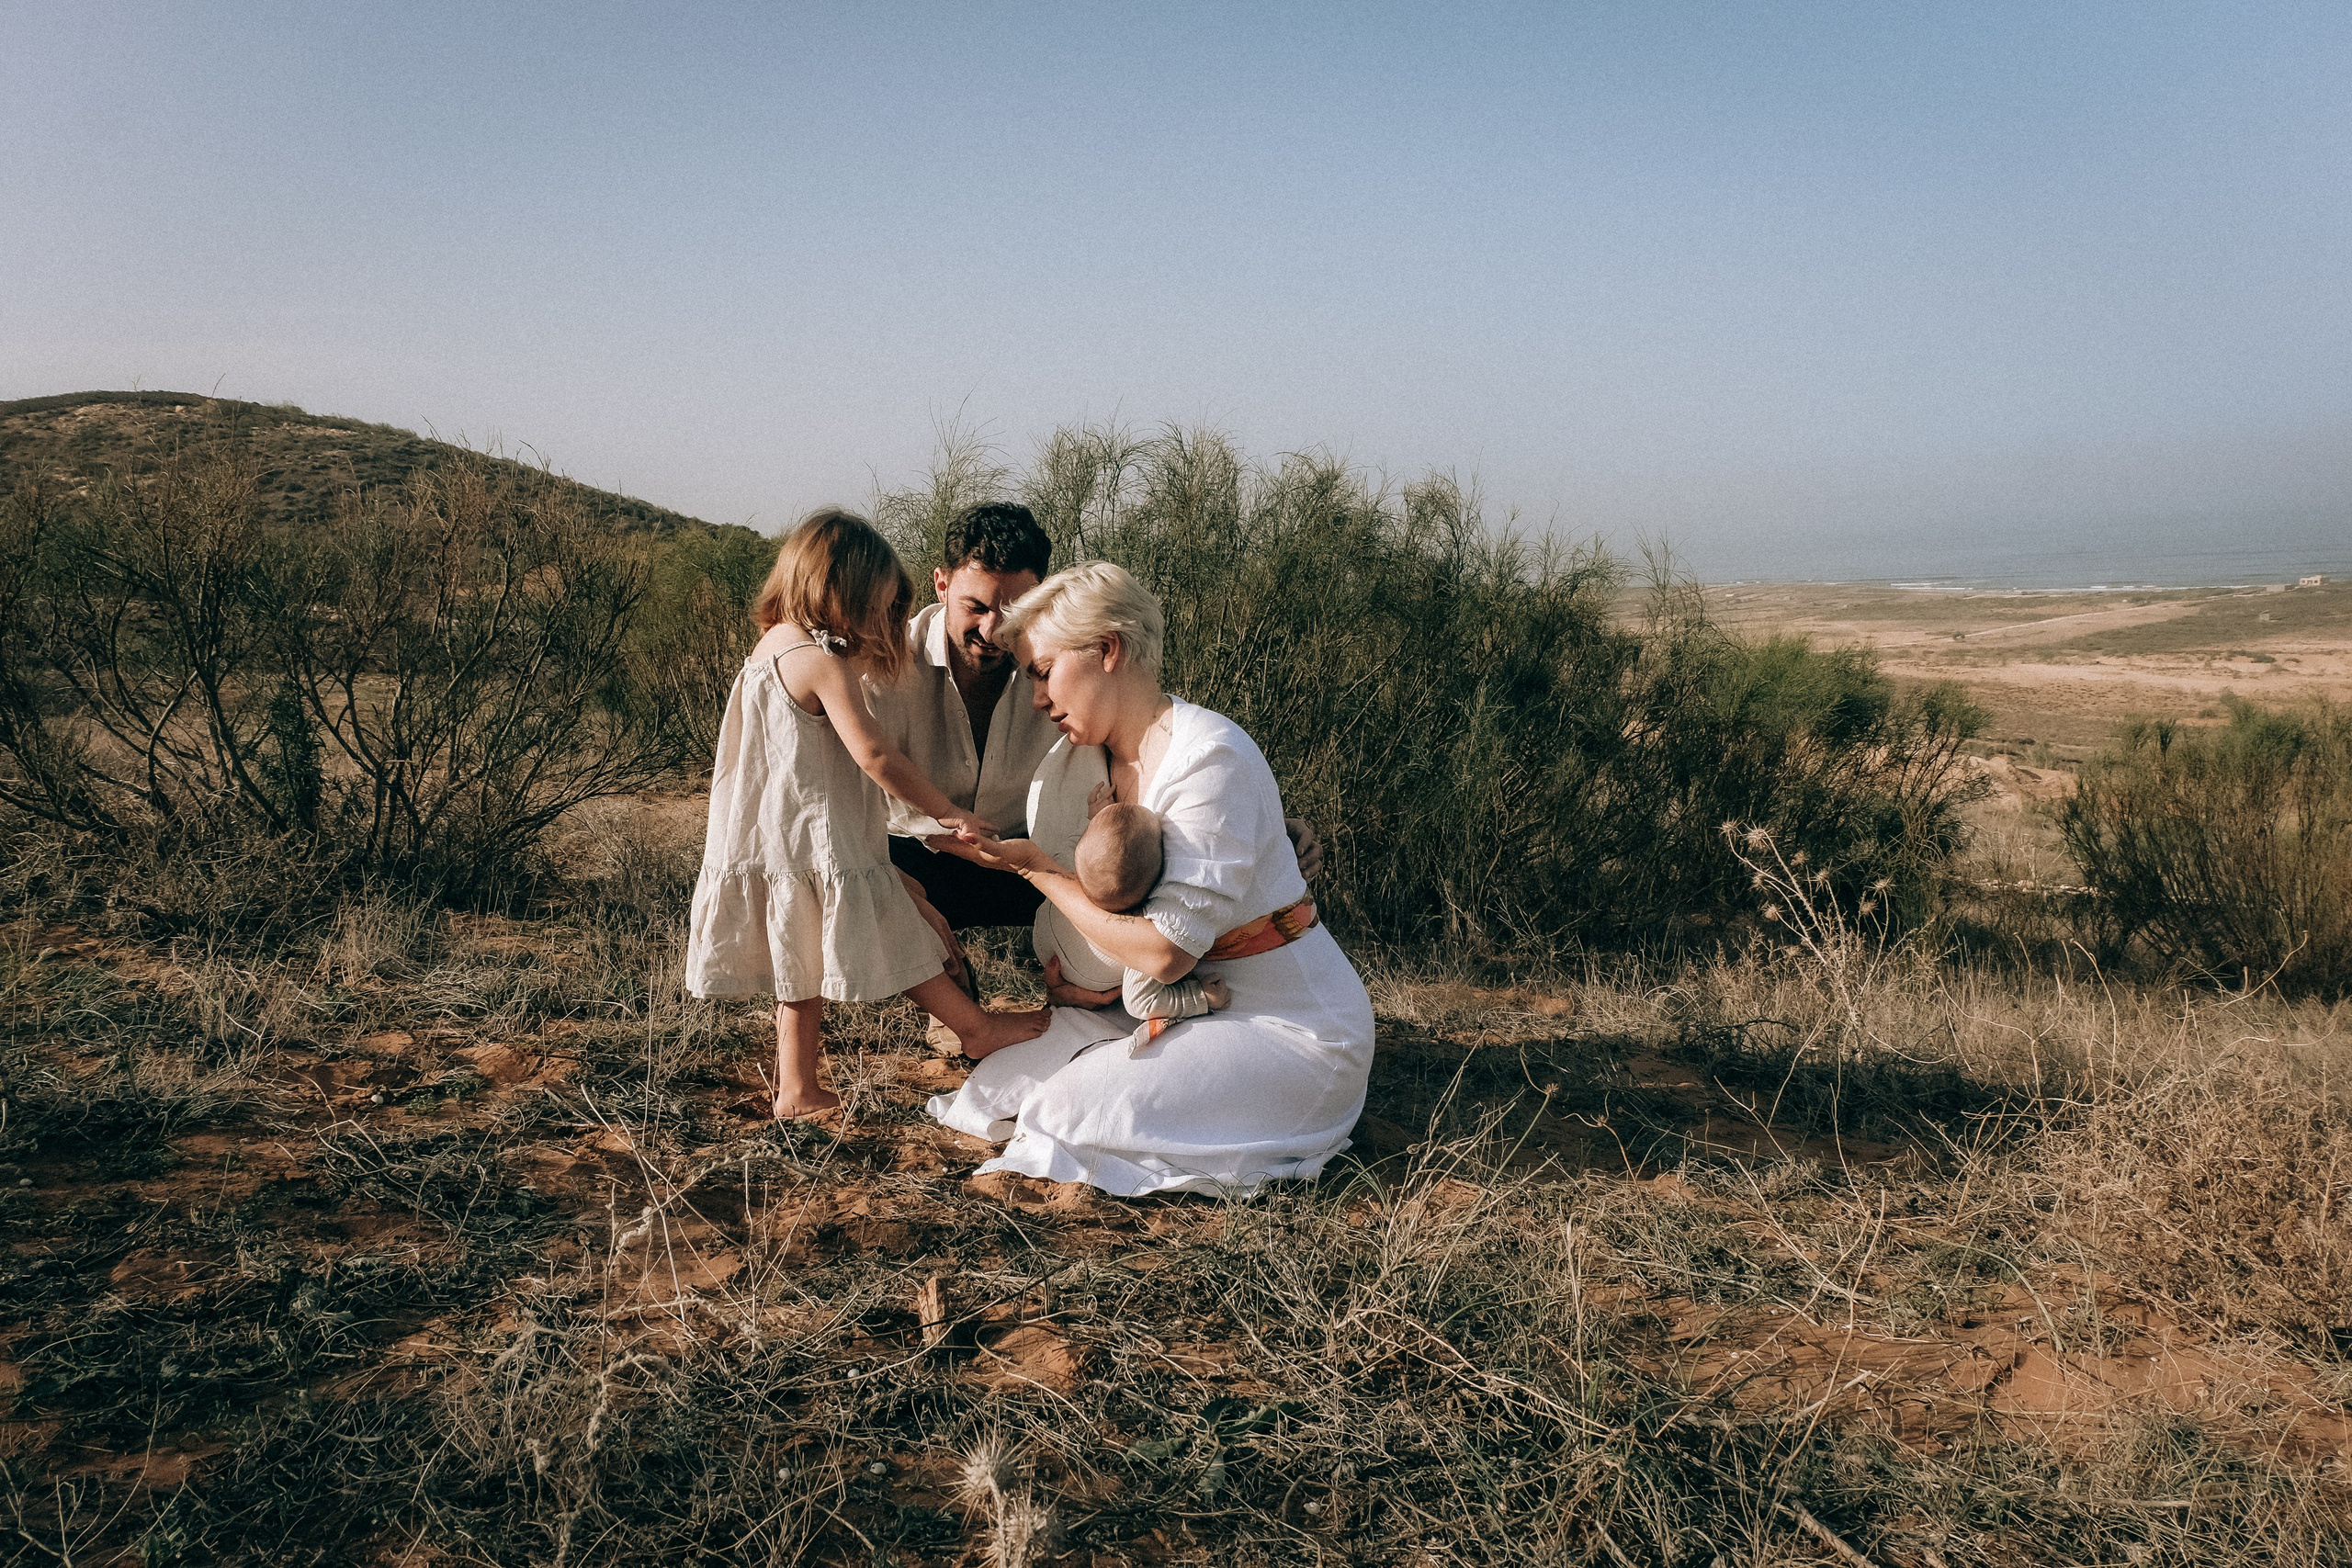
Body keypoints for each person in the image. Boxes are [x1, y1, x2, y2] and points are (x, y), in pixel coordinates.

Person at [929, 561, 1374, 1195]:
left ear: (1107, 648)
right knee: (995, 1087)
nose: (1036, 697)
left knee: (1063, 1112)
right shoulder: (1080, 764)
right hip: (1182, 1009)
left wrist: (1039, 870)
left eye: (1044, 672)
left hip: (1289, 1030)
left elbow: (1164, 952)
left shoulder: (1209, 755)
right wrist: (1086, 981)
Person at [875, 502, 1326, 1008]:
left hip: (1026, 852)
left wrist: (1256, 820)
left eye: (1012, 610)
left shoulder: (1063, 666)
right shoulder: (885, 663)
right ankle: (950, 997)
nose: (993, 630)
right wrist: (887, 878)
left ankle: (1107, 985)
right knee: (857, 876)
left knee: (1120, 864)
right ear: (941, 586)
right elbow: (829, 790)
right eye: (975, 607)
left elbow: (1146, 739)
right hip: (914, 854)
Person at [684, 509, 1048, 1119]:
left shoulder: (771, 647)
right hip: (821, 837)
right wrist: (949, 812)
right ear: (839, 596)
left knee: (799, 971)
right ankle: (973, 1027)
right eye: (879, 608)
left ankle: (798, 1087)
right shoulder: (823, 660)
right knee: (872, 935)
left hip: (781, 836)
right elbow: (875, 753)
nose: (888, 623)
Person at [1036, 785, 1233, 1046]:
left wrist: (1093, 819)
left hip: (1041, 936)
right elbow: (1139, 1001)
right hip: (1084, 977)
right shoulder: (1139, 932)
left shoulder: (1066, 864)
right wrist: (1200, 997)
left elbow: (1080, 845)